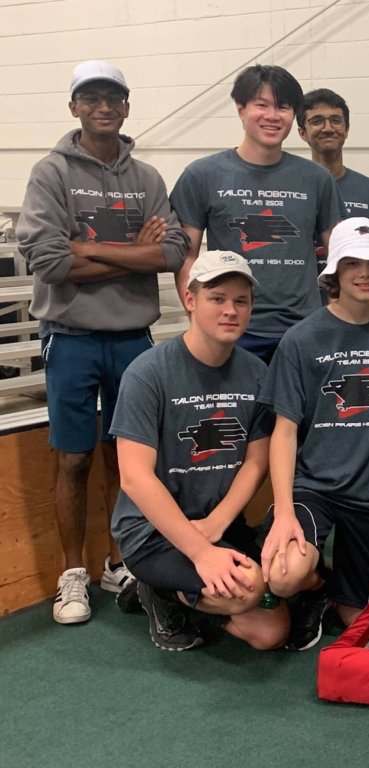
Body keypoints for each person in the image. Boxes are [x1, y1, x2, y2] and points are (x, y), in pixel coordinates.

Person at [16, 60, 190, 625]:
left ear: (126, 106)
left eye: (113, 97)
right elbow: (47, 262)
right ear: (74, 107)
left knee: (130, 456)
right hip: (70, 337)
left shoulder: (147, 179)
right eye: (91, 97)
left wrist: (87, 249)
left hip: (133, 339)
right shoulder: (50, 173)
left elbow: (169, 254)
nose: (103, 106)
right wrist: (130, 255)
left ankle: (123, 558)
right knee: (73, 456)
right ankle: (74, 573)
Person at [109, 251, 288, 651]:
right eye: (217, 298)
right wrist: (201, 552)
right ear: (190, 301)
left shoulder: (256, 372)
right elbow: (135, 478)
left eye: (241, 301)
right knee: (247, 589)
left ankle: (181, 594)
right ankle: (158, 588)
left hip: (215, 521)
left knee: (270, 634)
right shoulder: (147, 373)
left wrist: (215, 526)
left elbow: (257, 460)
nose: (231, 311)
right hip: (152, 532)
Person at [258, 218, 369, 651]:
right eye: (352, 263)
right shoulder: (300, 340)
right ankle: (314, 586)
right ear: (334, 272)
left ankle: (336, 595)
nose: (364, 273)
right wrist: (286, 511)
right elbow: (285, 431)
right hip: (316, 489)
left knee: (364, 622)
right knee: (284, 573)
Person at [170, 65, 340, 364]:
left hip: (304, 328)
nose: (272, 116)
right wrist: (200, 322)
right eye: (261, 105)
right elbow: (187, 258)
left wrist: (337, 317)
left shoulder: (316, 178)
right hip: (235, 330)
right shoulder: (202, 175)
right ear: (240, 109)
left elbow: (340, 255)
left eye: (283, 107)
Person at [297, 88, 369, 313]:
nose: (328, 128)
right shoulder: (292, 190)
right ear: (302, 132)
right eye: (317, 121)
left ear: (347, 129)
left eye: (335, 120)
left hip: (359, 317)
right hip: (300, 315)